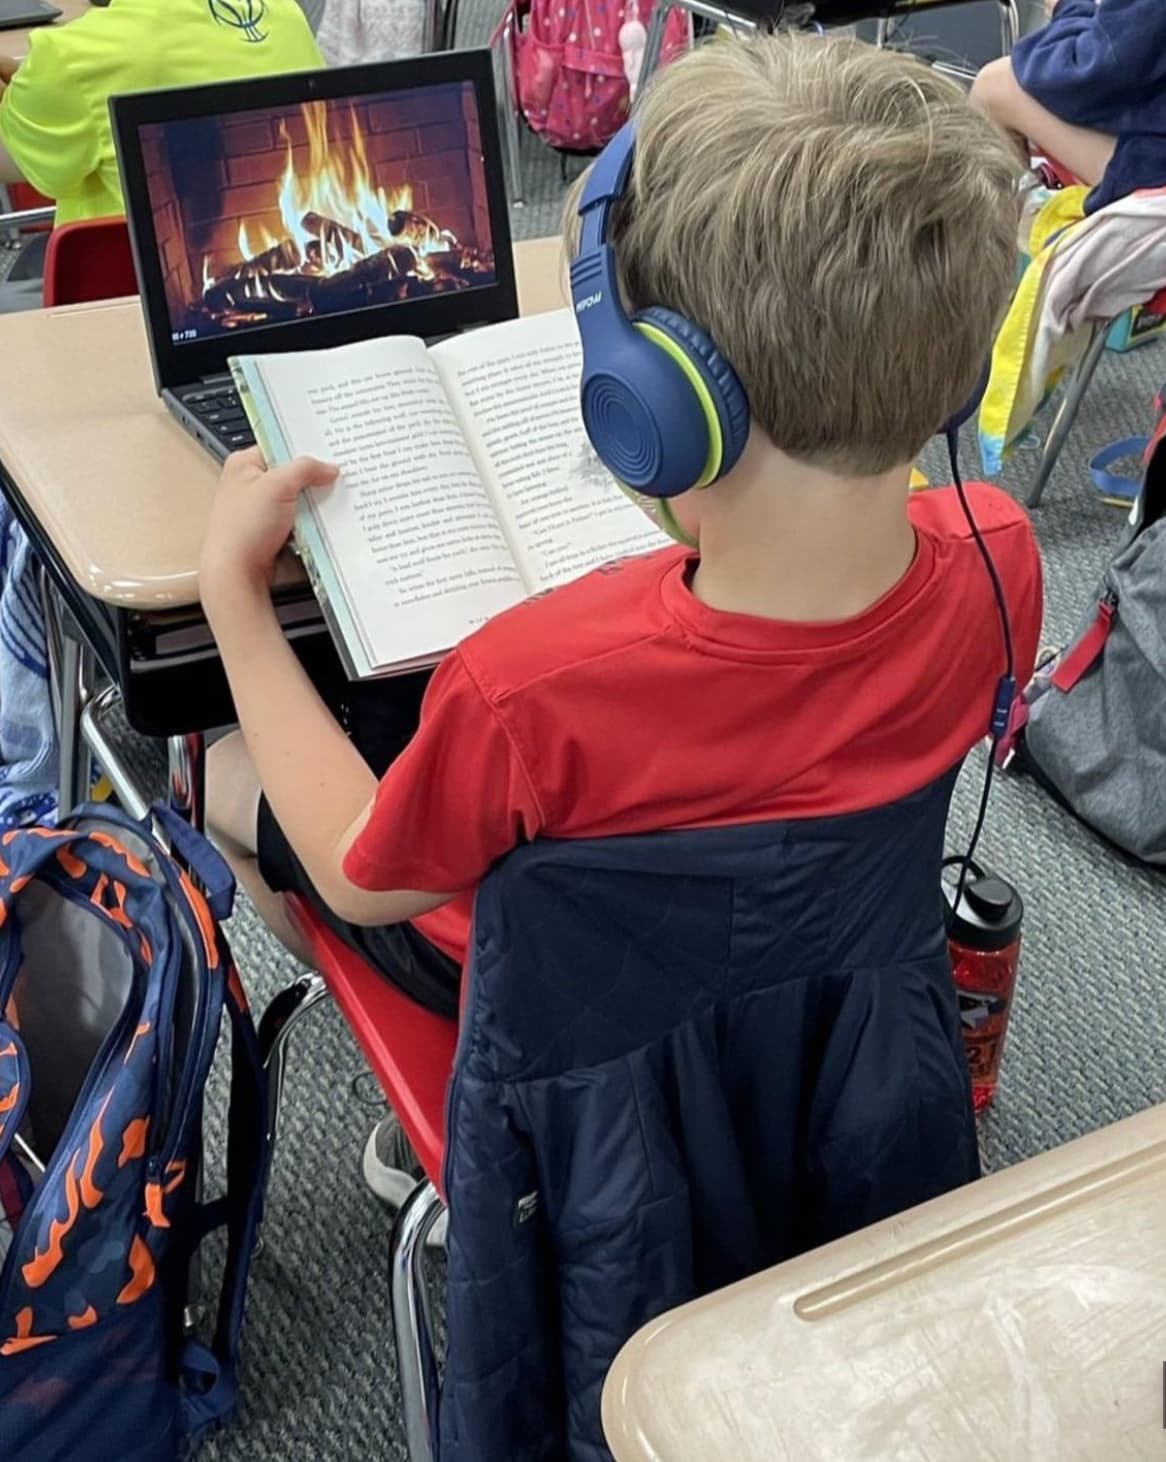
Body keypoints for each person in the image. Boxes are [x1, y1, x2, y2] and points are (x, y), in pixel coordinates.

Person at [201, 32, 1044, 1209]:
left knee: (225, 773)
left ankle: (451, 1113)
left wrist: (233, 599)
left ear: (658, 404)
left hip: (555, 1040)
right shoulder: (1002, 555)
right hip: (839, 1026)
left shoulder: (528, 683)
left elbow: (356, 875)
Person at [0, 0, 322, 226]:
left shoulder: (69, 56)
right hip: (280, 285)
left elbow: (11, 162)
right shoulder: (285, 16)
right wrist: (32, 90)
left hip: (117, 303)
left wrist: (35, 90)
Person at [972, 0, 1166, 213]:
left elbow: (1084, 76)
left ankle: (993, 238)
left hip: (1153, 167)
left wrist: (1068, 8)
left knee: (993, 86)